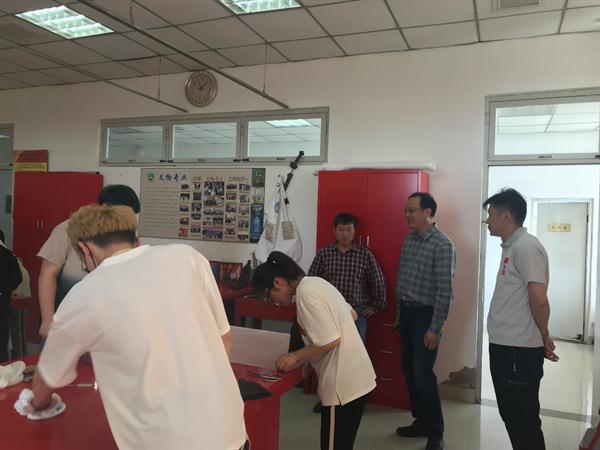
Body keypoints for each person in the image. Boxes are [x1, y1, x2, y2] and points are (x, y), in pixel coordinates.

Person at [27, 205, 247, 450]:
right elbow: (224, 338)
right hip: (229, 429)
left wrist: (37, 405)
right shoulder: (187, 257)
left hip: (163, 442)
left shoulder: (84, 293)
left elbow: (46, 378)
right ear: (135, 240)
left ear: (85, 249)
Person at [253, 251, 376, 450]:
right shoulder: (316, 283)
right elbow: (352, 314)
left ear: (278, 282)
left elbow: (331, 340)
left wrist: (294, 356)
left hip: (342, 387)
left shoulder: (305, 294)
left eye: (270, 296)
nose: (273, 302)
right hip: (359, 379)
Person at [483, 188, 558, 450]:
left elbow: (539, 299)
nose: (487, 220)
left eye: (491, 214)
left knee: (522, 420)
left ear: (506, 215)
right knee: (512, 415)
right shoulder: (512, 246)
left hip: (518, 350)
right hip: (507, 346)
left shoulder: (526, 246)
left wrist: (543, 335)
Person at [37, 184, 140, 339]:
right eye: (124, 214)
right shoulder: (69, 230)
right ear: (105, 207)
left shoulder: (125, 235)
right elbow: (47, 274)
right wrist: (48, 320)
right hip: (66, 320)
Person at [394, 192, 455, 450]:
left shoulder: (442, 244)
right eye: (405, 210)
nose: (407, 215)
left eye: (412, 210)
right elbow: (402, 278)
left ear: (427, 212)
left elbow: (444, 291)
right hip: (407, 314)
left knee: (422, 375)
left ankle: (435, 433)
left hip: (425, 316)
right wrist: (399, 314)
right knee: (408, 371)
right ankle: (420, 421)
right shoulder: (409, 240)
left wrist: (435, 328)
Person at [308, 212, 386, 342]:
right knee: (330, 346)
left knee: (356, 348)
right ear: (334, 231)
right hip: (329, 310)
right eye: (341, 230)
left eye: (349, 230)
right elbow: (311, 280)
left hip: (357, 311)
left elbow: (378, 281)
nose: (345, 234)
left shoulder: (364, 254)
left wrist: (376, 306)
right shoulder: (324, 253)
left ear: (355, 231)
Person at [0, 230, 22, 362]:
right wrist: (5, 290)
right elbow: (17, 277)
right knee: (1, 339)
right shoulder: (8, 254)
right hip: (2, 301)